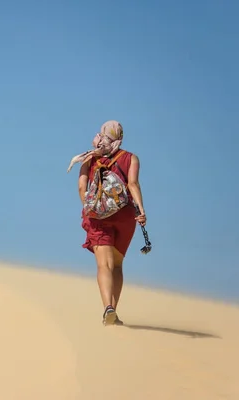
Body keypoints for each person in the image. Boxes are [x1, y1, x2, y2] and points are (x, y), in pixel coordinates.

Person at [67, 120, 147, 326]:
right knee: (117, 266)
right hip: (125, 215)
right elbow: (133, 184)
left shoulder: (89, 158)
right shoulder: (132, 158)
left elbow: (81, 187)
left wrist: (90, 207)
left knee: (104, 264)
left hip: (97, 217)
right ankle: (114, 313)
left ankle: (107, 309)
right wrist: (141, 210)